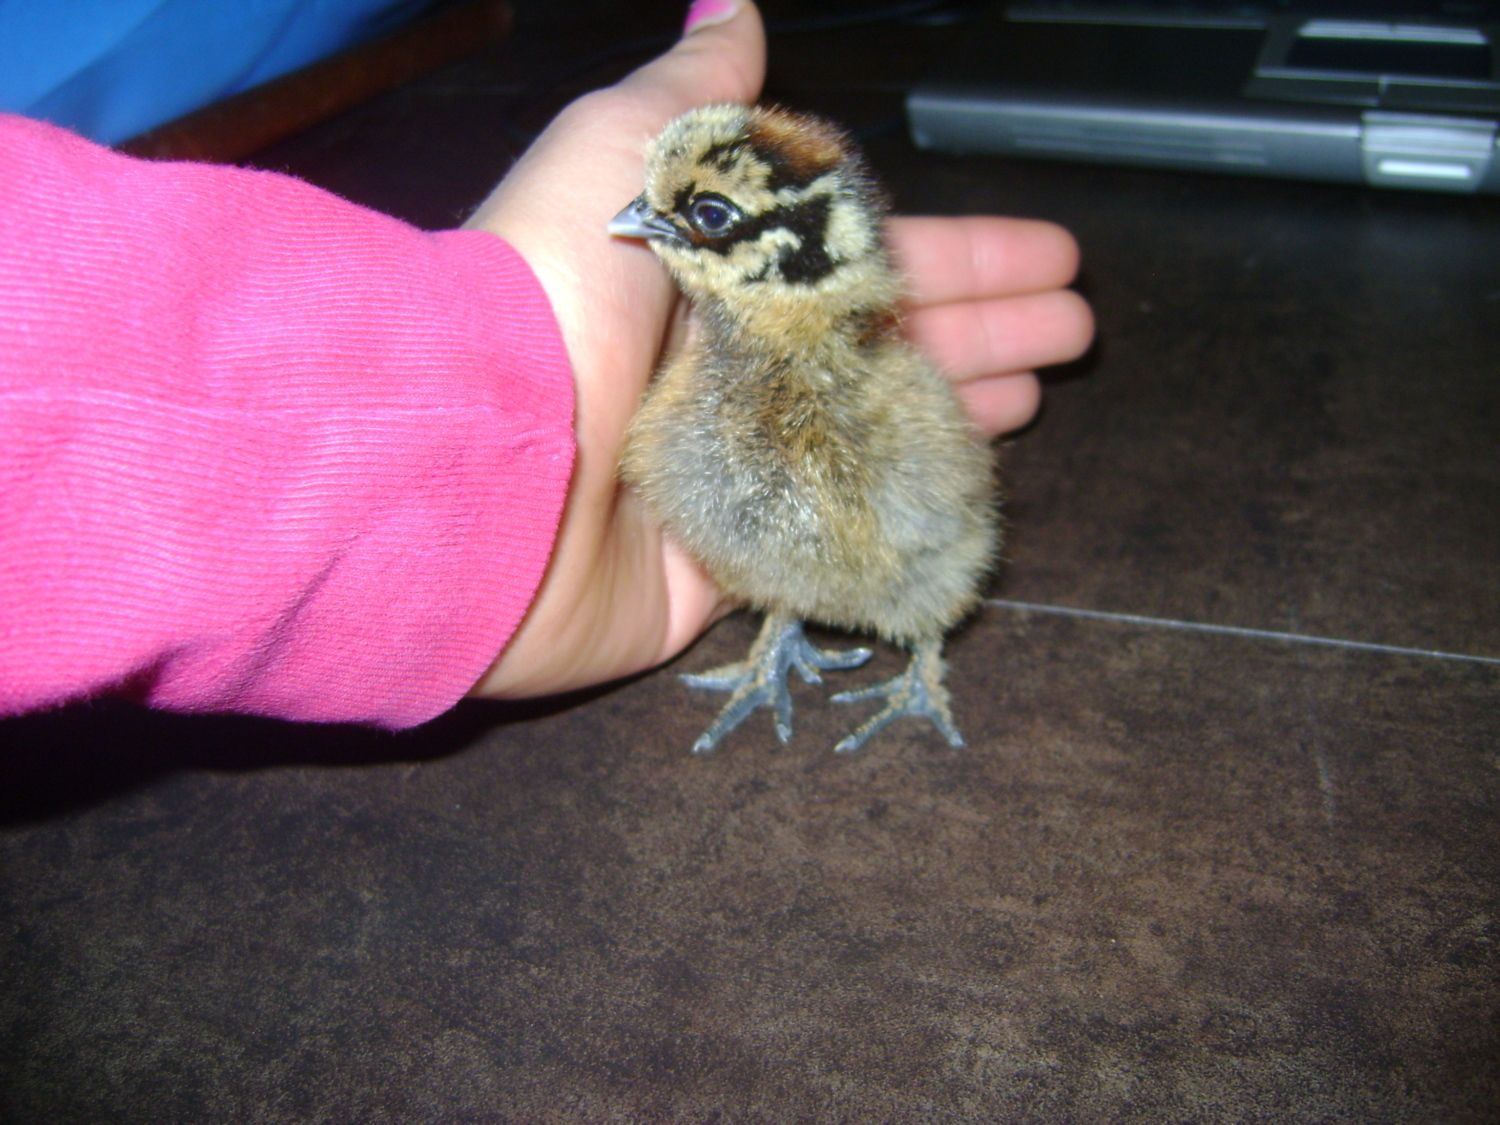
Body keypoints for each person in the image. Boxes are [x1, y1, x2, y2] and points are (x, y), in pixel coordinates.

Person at [0, 0, 1093, 728]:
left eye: (702, 217)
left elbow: (940, 523)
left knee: (884, 544)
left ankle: (924, 665)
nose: (642, 223)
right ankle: (780, 633)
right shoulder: (701, 385)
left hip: (878, 523)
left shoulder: (871, 397)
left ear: (794, 249)